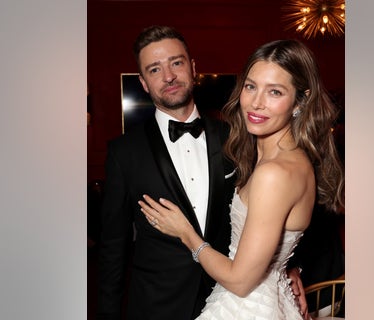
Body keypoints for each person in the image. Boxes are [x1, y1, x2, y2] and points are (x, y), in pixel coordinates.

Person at [97, 26, 307, 320]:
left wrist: (289, 269)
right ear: (143, 83)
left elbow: (286, 213)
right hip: (157, 307)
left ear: (193, 68)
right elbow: (112, 251)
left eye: (176, 62)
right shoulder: (124, 153)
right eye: (155, 69)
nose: (168, 76)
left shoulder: (239, 138)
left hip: (229, 299)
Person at [139, 39, 344, 319]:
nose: (256, 103)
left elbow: (241, 280)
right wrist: (286, 268)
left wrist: (186, 233)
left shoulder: (274, 173)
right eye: (251, 86)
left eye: (275, 91)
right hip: (263, 299)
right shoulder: (270, 155)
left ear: (300, 100)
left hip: (246, 305)